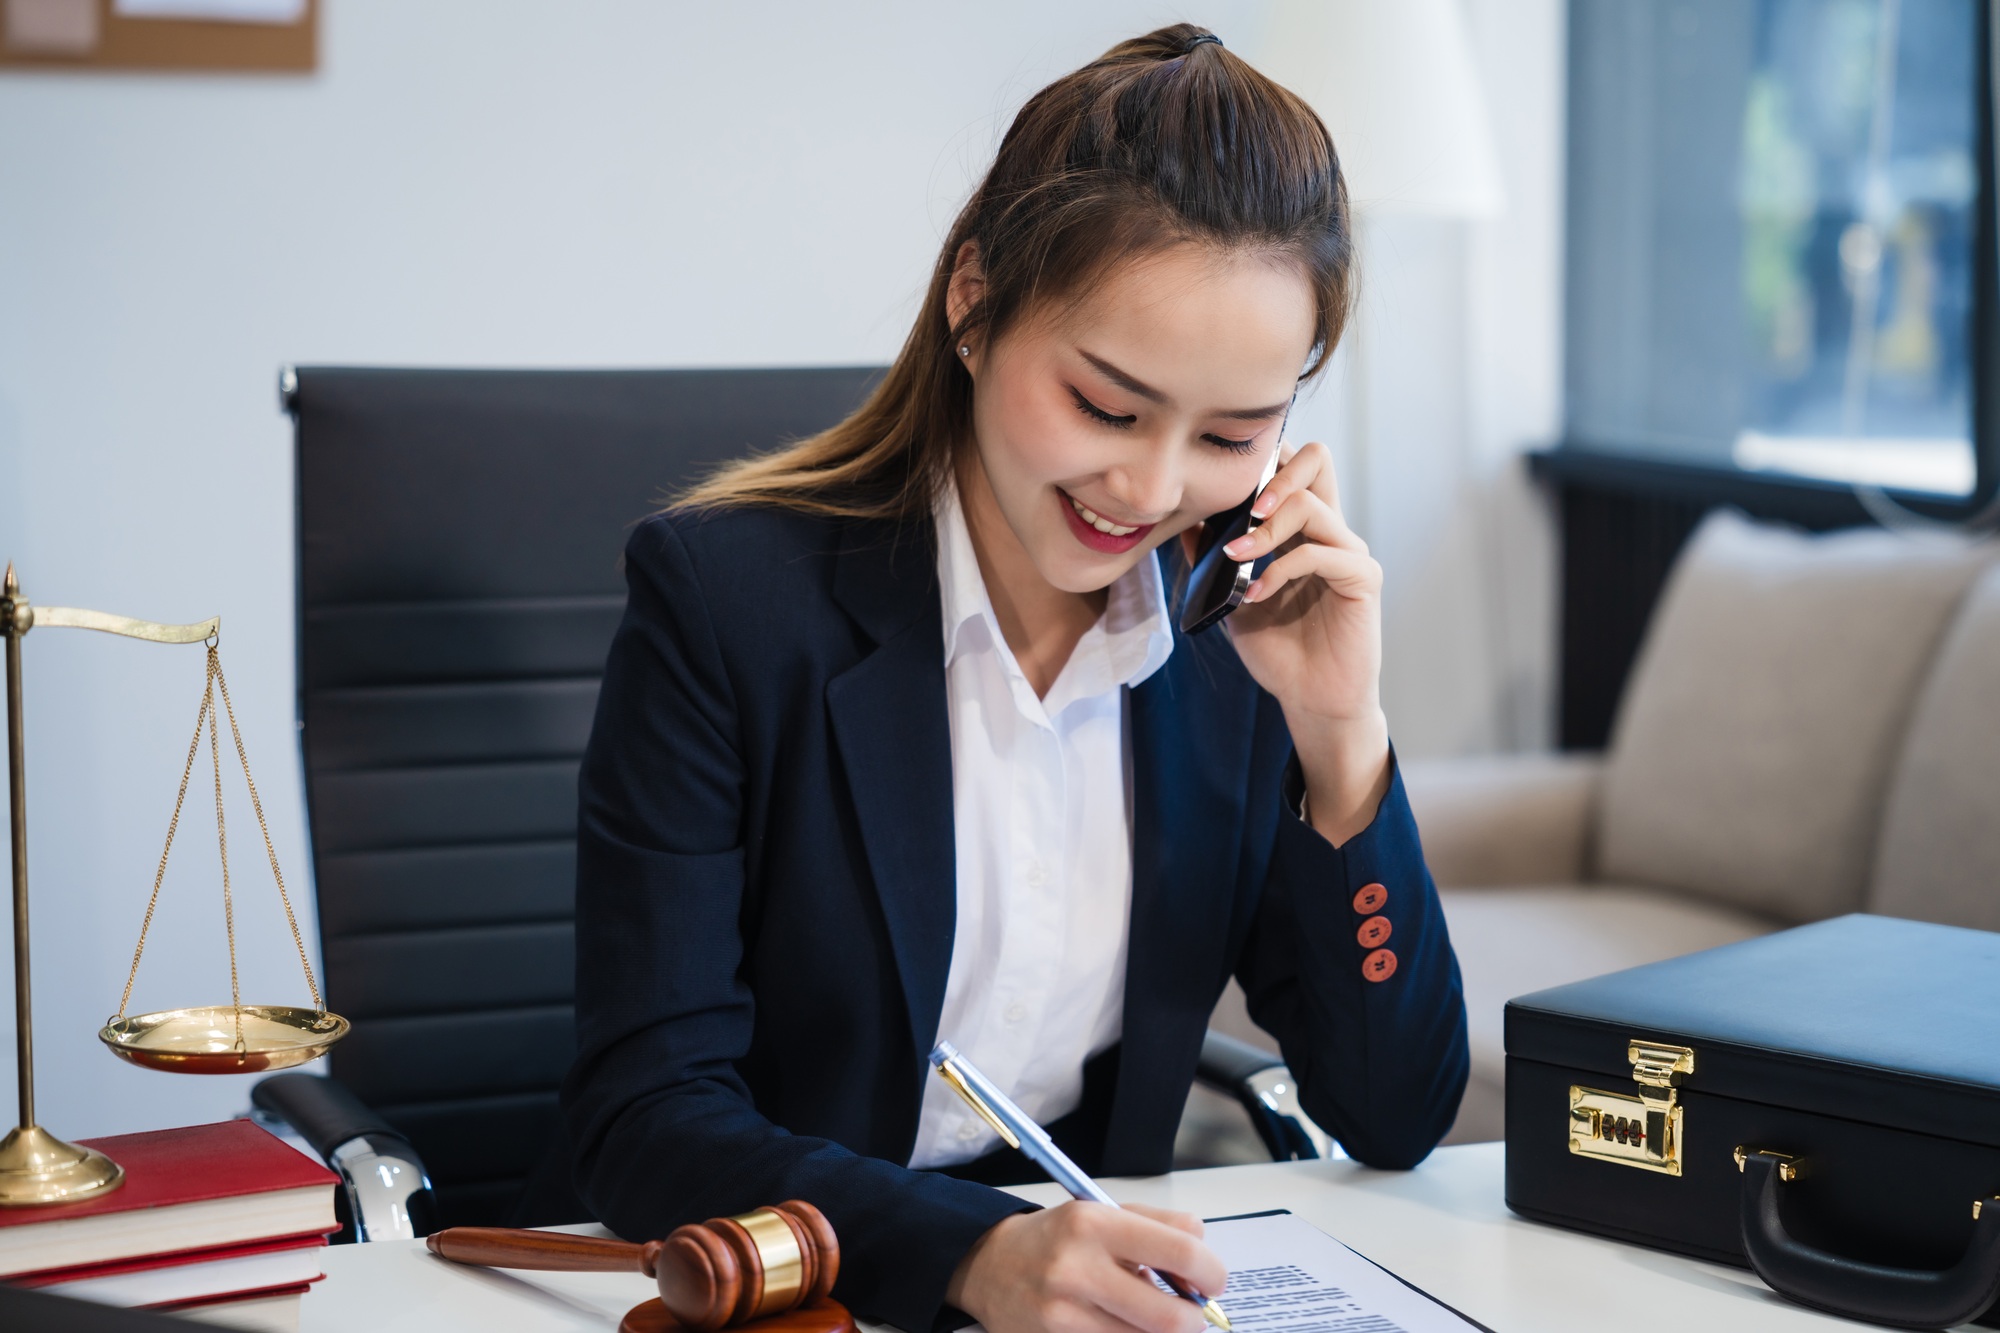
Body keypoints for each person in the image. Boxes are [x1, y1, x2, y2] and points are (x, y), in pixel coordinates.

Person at [563, 24, 1468, 1333]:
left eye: (1229, 434)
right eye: (1107, 405)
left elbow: (1392, 1115)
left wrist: (1341, 737)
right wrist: (972, 1253)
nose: (1152, 490)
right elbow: (644, 1119)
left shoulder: (1234, 648)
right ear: (975, 303)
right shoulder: (726, 605)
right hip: (774, 1291)